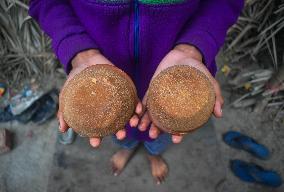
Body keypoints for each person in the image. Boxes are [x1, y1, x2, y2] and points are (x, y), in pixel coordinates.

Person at [29, 0, 244, 184]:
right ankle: (128, 148)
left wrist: (195, 46)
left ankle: (153, 154)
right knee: (121, 132)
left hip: (174, 72)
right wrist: (78, 49)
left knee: (160, 133)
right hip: (104, 79)